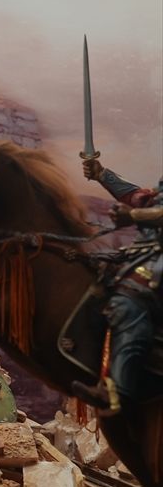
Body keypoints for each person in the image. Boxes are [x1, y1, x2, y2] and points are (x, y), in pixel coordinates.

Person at [72, 159, 162, 411]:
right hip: (146, 253)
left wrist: (132, 216)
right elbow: (141, 197)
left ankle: (116, 391)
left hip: (155, 262)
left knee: (130, 300)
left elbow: (141, 207)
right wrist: (102, 174)